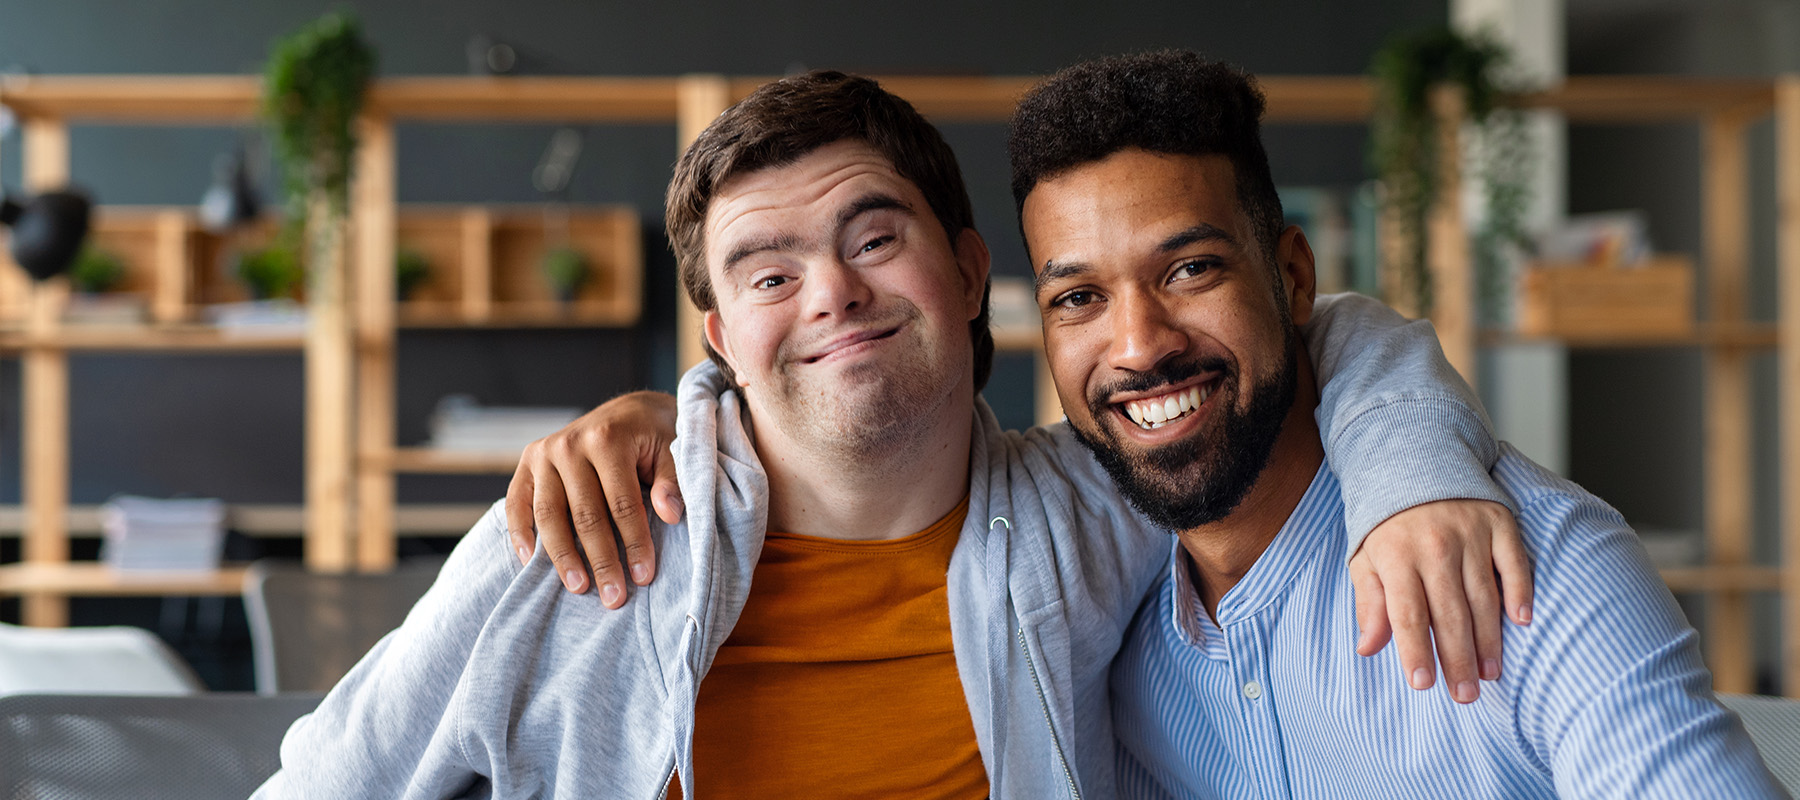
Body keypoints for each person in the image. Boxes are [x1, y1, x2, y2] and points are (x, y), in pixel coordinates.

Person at [257, 69, 1528, 799]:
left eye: (874, 238)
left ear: (972, 272)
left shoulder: (1095, 512)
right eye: (766, 272)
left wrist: (1412, 475)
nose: (832, 294)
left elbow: (1312, 338)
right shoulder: (578, 537)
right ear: (716, 333)